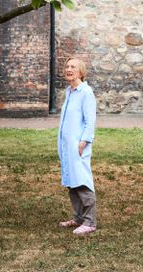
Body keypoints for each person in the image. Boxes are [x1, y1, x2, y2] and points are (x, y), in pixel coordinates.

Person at [57, 56, 97, 236]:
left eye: (73, 67)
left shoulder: (86, 92)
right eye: (67, 66)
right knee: (71, 181)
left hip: (78, 146)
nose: (68, 69)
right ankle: (78, 218)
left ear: (81, 71)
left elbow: (90, 121)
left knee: (81, 181)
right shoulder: (69, 91)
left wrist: (84, 142)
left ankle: (90, 221)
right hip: (66, 145)